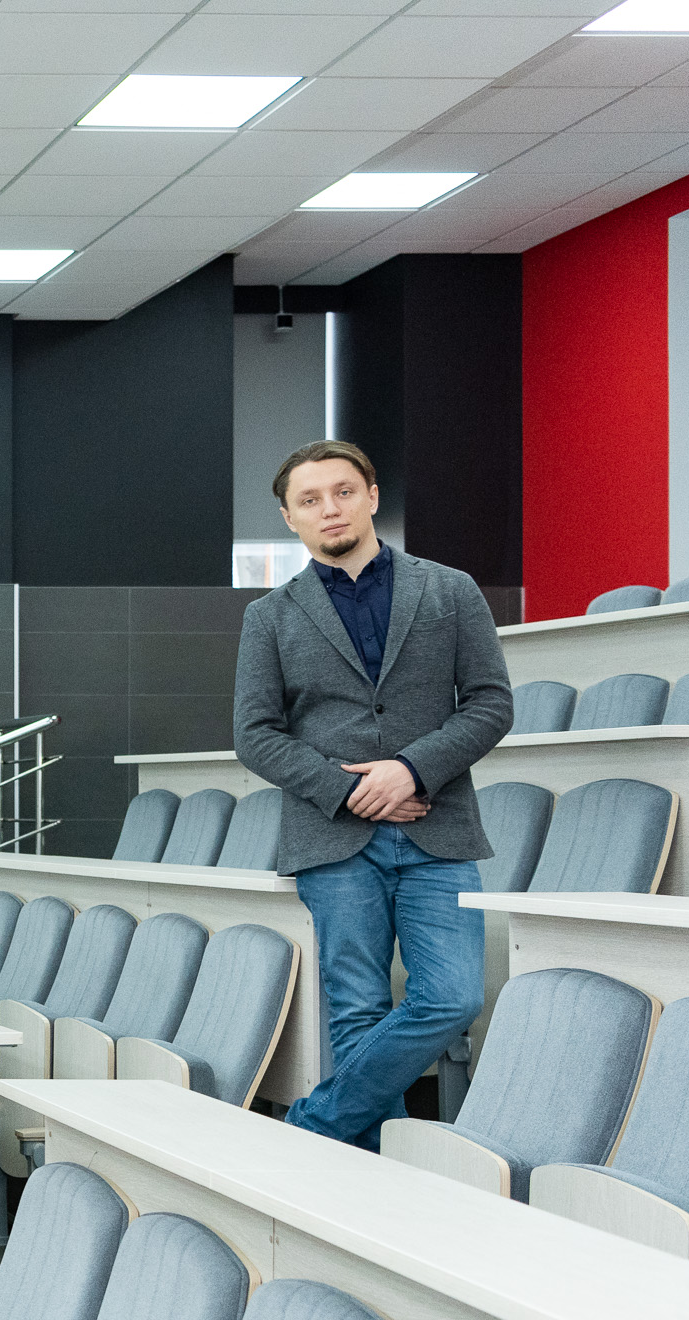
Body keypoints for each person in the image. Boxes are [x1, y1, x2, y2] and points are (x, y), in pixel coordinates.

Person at [233, 439, 513, 1149]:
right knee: (356, 1011)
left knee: (453, 998)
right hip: (332, 838)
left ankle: (311, 1125)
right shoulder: (269, 616)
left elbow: (490, 703)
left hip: (438, 830)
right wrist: (348, 789)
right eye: (310, 499)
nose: (329, 508)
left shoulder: (450, 590)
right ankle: (375, 1180)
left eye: (343, 491)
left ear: (372, 497)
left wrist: (410, 770)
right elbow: (255, 734)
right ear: (289, 517)